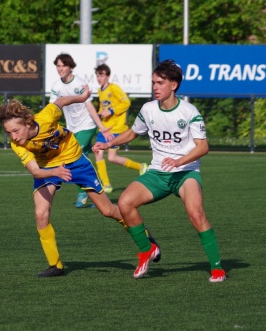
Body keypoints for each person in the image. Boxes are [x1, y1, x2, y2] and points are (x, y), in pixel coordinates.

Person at [0, 85, 159, 277]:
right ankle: (55, 265)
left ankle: (145, 238)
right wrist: (55, 170)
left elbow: (62, 101)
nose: (13, 137)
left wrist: (82, 98)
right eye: (9, 133)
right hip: (48, 168)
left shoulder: (46, 116)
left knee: (107, 210)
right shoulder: (17, 144)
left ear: (28, 123)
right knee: (41, 213)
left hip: (75, 160)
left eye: (16, 130)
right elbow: (36, 172)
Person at [92, 60, 226, 282]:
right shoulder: (148, 109)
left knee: (196, 214)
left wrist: (179, 161)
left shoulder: (189, 111)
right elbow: (133, 133)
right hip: (158, 173)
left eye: (160, 82)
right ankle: (148, 249)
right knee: (125, 203)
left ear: (173, 85)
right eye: (153, 82)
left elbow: (203, 147)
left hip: (186, 172)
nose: (155, 87)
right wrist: (109, 144)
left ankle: (217, 267)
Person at [50, 53, 114, 208]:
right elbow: (52, 110)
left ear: (70, 67)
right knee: (80, 160)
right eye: (58, 66)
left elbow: (90, 107)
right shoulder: (56, 86)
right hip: (72, 128)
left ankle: (83, 192)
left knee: (74, 156)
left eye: (63, 65)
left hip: (87, 126)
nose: (60, 69)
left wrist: (102, 128)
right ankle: (95, 192)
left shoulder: (79, 84)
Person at [94, 64, 148, 193]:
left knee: (112, 158)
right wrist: (101, 112)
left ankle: (140, 166)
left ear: (107, 76)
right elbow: (104, 107)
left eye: (101, 75)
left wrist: (111, 111)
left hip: (116, 129)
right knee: (98, 152)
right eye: (97, 75)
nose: (99, 78)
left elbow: (126, 102)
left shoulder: (114, 88)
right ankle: (106, 184)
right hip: (105, 129)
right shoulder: (100, 90)